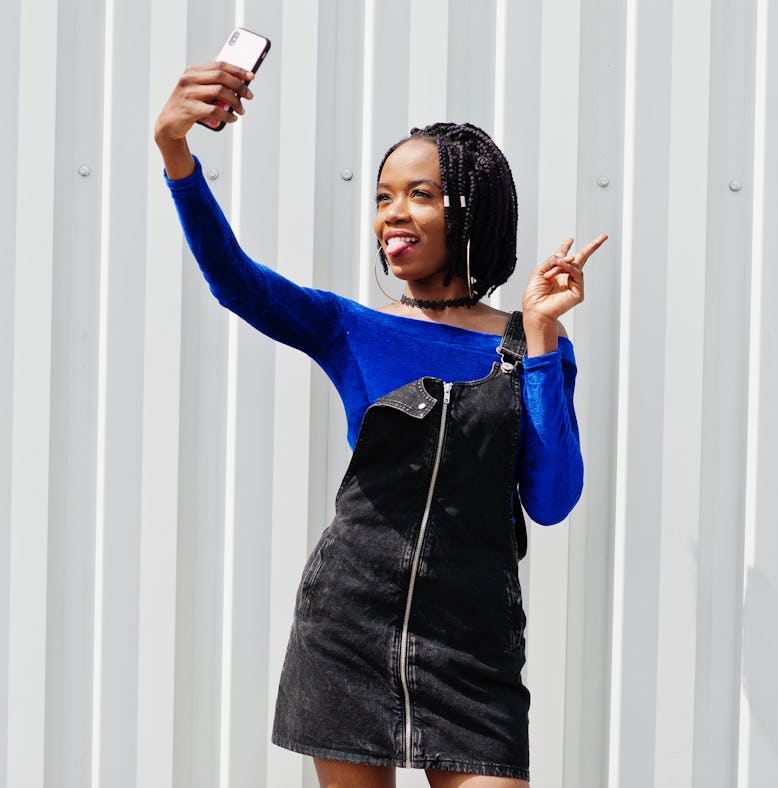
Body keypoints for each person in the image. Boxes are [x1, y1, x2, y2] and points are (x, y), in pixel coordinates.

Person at [155, 61, 607, 788]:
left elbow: (551, 500)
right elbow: (232, 277)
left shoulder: (531, 345)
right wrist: (176, 151)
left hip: (474, 646)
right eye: (383, 197)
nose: (391, 213)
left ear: (469, 209)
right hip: (348, 628)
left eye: (418, 195)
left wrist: (542, 337)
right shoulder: (347, 327)